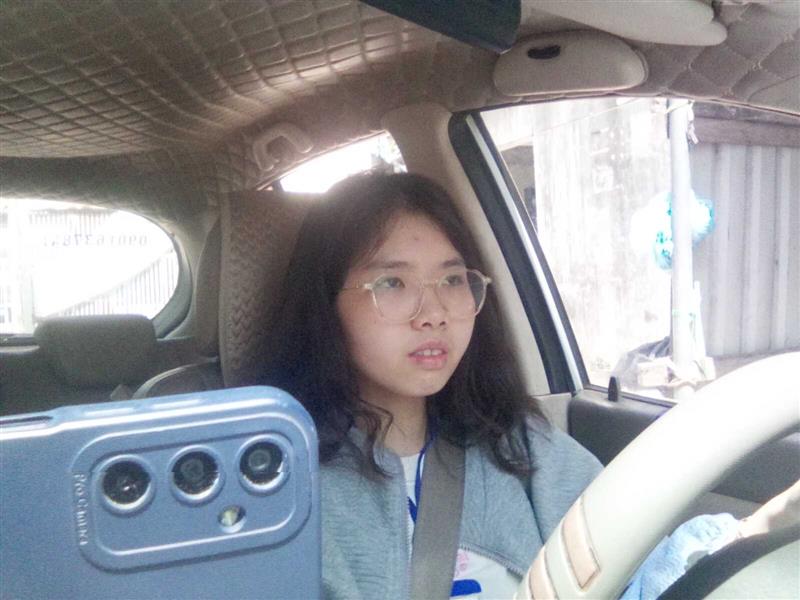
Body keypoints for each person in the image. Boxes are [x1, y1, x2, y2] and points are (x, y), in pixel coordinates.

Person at [262, 171, 797, 599]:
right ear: (324, 303)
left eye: (452, 279)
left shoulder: (517, 445)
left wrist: (755, 535)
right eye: (393, 282)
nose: (435, 312)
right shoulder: (284, 491)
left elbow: (635, 571)